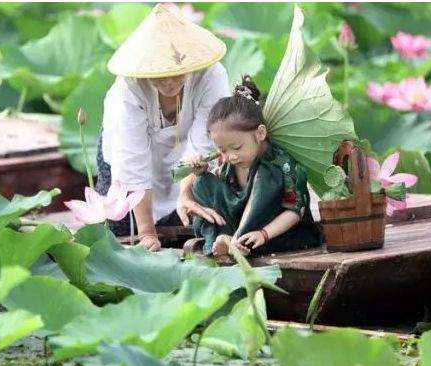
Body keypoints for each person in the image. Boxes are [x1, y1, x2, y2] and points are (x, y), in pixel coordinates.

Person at [95, 3, 230, 251]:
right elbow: (132, 164)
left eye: (177, 72)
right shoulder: (127, 91)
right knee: (121, 231)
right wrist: (147, 234)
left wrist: (187, 191)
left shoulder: (211, 76)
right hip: (128, 159)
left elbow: (205, 144)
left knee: (189, 218)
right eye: (160, 74)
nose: (168, 82)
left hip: (189, 156)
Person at [187, 76, 322, 257]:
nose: (230, 157)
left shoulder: (282, 163)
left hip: (276, 234)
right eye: (222, 150)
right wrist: (200, 172)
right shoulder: (227, 163)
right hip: (242, 232)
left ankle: (236, 241)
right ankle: (231, 240)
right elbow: (222, 200)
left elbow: (295, 211)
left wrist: (263, 234)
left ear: (260, 133)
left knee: (266, 174)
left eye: (236, 148)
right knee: (202, 183)